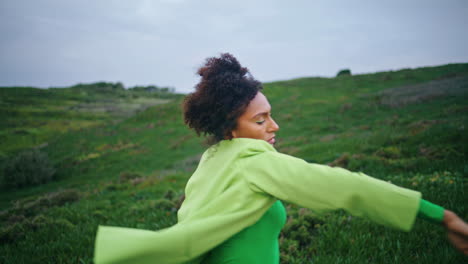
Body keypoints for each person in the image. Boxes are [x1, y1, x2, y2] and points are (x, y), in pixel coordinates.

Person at [94, 53, 468, 264]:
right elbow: (343, 186)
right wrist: (441, 214)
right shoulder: (255, 161)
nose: (275, 125)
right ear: (231, 127)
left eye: (270, 114)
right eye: (261, 119)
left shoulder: (211, 161)